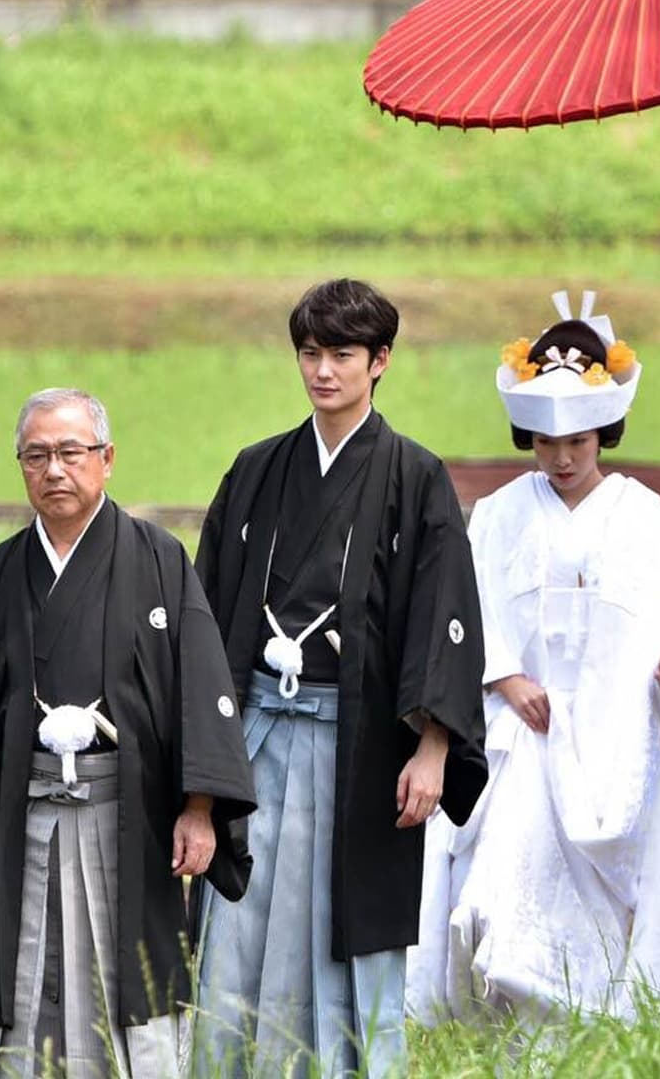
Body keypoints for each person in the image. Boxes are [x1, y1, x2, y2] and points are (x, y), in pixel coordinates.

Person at [409, 291, 660, 1022]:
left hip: (618, 723)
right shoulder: (499, 513)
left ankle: (603, 1005)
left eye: (578, 442)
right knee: (504, 874)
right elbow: (468, 603)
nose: (561, 458)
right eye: (546, 442)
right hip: (526, 722)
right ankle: (513, 1006)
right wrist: (505, 675)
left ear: (603, 434)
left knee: (620, 882)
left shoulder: (642, 513)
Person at [190, 279, 487, 1078]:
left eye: (343, 355)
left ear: (380, 361)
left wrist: (433, 748)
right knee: (237, 923)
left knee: (341, 928)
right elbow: (205, 611)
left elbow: (444, 615)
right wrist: (201, 761)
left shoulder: (414, 478)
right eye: (311, 354)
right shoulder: (256, 471)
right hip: (254, 732)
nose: (323, 371)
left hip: (359, 746)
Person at [0, 387, 257, 1079]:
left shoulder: (159, 559)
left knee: (127, 975)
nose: (54, 469)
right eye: (36, 456)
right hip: (21, 813)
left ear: (107, 459)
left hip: (127, 812)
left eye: (70, 452)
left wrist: (200, 808)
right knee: (21, 971)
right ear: (21, 467)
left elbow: (202, 687)